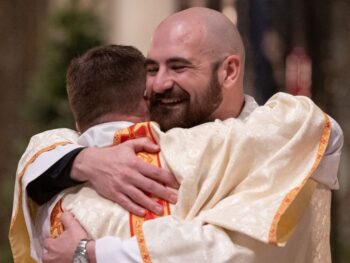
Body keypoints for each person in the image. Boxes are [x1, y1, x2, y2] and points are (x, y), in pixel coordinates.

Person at [9, 7, 342, 263]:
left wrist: (89, 251)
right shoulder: (142, 134)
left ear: (228, 71)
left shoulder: (278, 144)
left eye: (179, 67)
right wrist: (83, 161)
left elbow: (231, 254)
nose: (158, 84)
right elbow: (46, 149)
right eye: (152, 68)